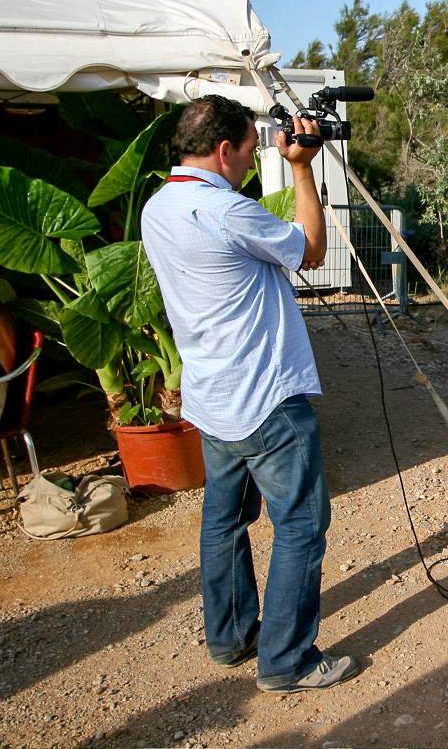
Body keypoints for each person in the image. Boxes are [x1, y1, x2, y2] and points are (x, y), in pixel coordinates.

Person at [141, 95, 359, 693]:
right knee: (300, 524)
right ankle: (287, 661)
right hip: (266, 399)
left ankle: (230, 636)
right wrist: (301, 165)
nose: (248, 158)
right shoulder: (226, 211)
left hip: (212, 397)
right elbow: (311, 250)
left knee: (224, 521)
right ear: (222, 149)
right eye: (246, 148)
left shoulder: (158, 208)